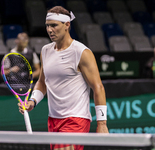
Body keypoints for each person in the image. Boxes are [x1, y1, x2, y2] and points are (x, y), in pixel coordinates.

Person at [18, 6, 109, 150]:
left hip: (76, 119)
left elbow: (98, 87)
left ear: (67, 25)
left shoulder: (82, 52)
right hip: (53, 119)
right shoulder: (45, 51)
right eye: (47, 25)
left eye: (54, 25)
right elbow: (42, 83)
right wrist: (32, 101)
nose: (49, 30)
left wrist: (102, 124)